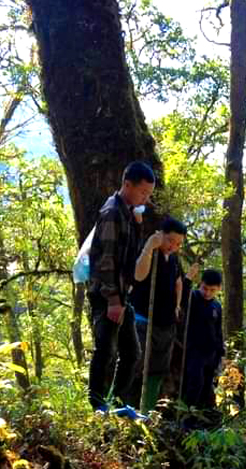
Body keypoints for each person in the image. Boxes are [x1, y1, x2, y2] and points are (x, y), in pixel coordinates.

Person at [87, 161, 155, 411]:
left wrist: (137, 223)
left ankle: (114, 403)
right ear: (127, 184)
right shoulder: (112, 212)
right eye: (142, 192)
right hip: (107, 294)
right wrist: (113, 300)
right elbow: (105, 260)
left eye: (148, 194)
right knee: (105, 350)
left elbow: (129, 254)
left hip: (121, 296)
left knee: (131, 354)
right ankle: (96, 405)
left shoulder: (128, 212)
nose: (146, 198)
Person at [125, 217, 187, 411]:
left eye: (178, 243)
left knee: (157, 370)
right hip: (142, 320)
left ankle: (146, 413)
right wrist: (149, 248)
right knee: (133, 365)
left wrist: (177, 305)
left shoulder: (174, 259)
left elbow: (178, 282)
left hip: (166, 324)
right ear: (161, 235)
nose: (173, 246)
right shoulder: (149, 251)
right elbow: (138, 275)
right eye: (169, 240)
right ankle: (121, 411)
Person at [182, 268, 224, 413]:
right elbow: (181, 298)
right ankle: (187, 413)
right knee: (195, 382)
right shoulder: (192, 297)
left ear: (218, 289)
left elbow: (218, 331)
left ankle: (201, 416)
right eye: (205, 288)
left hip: (211, 353)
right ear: (200, 284)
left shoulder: (217, 306)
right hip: (194, 350)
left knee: (208, 386)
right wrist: (187, 280)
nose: (207, 293)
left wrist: (221, 353)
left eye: (212, 290)